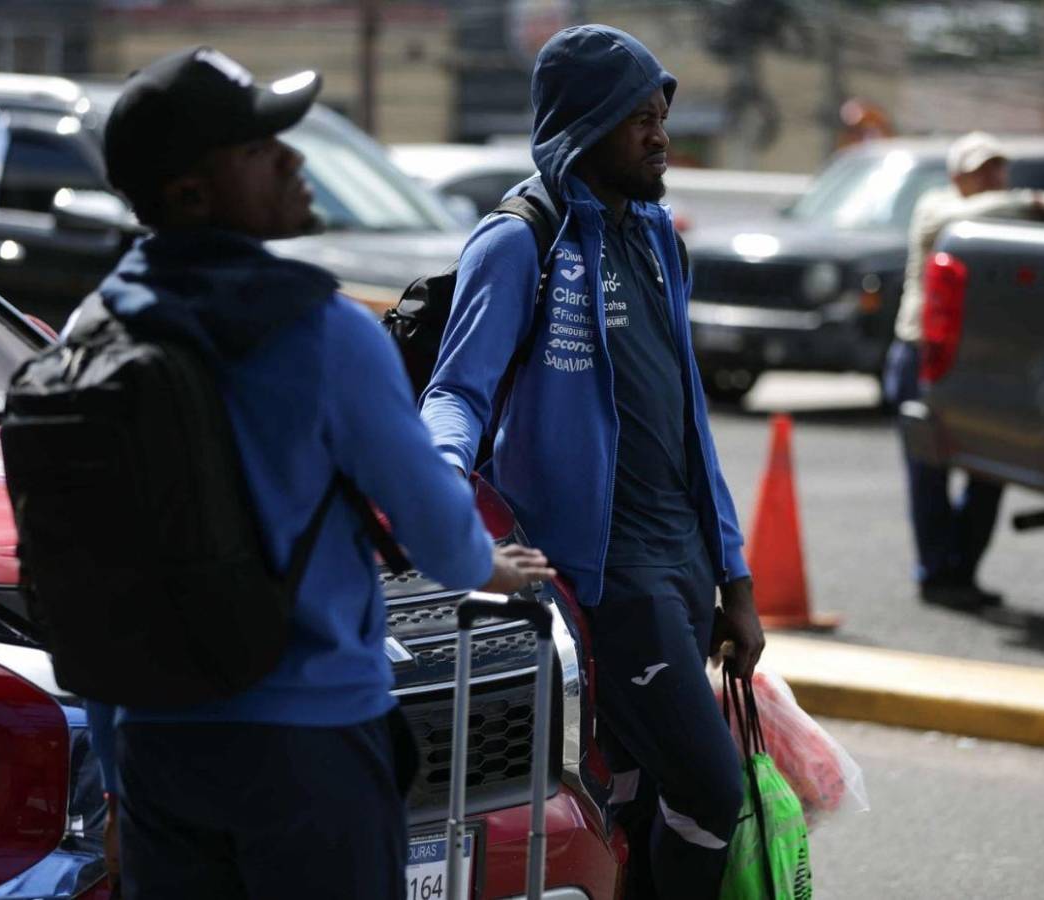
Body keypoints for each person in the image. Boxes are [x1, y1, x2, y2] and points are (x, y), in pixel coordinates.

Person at [83, 47, 553, 900]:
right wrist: (490, 567)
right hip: (307, 745)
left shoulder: (95, 328)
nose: (297, 160)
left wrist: (118, 780)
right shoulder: (325, 330)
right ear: (192, 193)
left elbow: (100, 577)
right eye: (262, 148)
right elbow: (440, 536)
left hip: (157, 750)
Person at [419, 25, 764, 900]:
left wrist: (735, 578)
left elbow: (692, 418)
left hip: (682, 566)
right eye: (637, 118)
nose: (660, 136)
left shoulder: (657, 239)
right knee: (712, 791)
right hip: (607, 580)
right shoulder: (519, 238)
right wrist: (435, 480)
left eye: (660, 115)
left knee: (642, 800)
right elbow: (457, 391)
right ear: (584, 124)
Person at [884, 131, 1044, 607]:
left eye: (998, 167)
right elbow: (962, 218)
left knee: (989, 470)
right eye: (982, 169)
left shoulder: (1012, 214)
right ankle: (937, 575)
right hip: (922, 354)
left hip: (982, 360)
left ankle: (961, 570)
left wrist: (1031, 204)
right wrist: (1030, 204)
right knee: (929, 471)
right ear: (957, 176)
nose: (993, 178)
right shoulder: (937, 208)